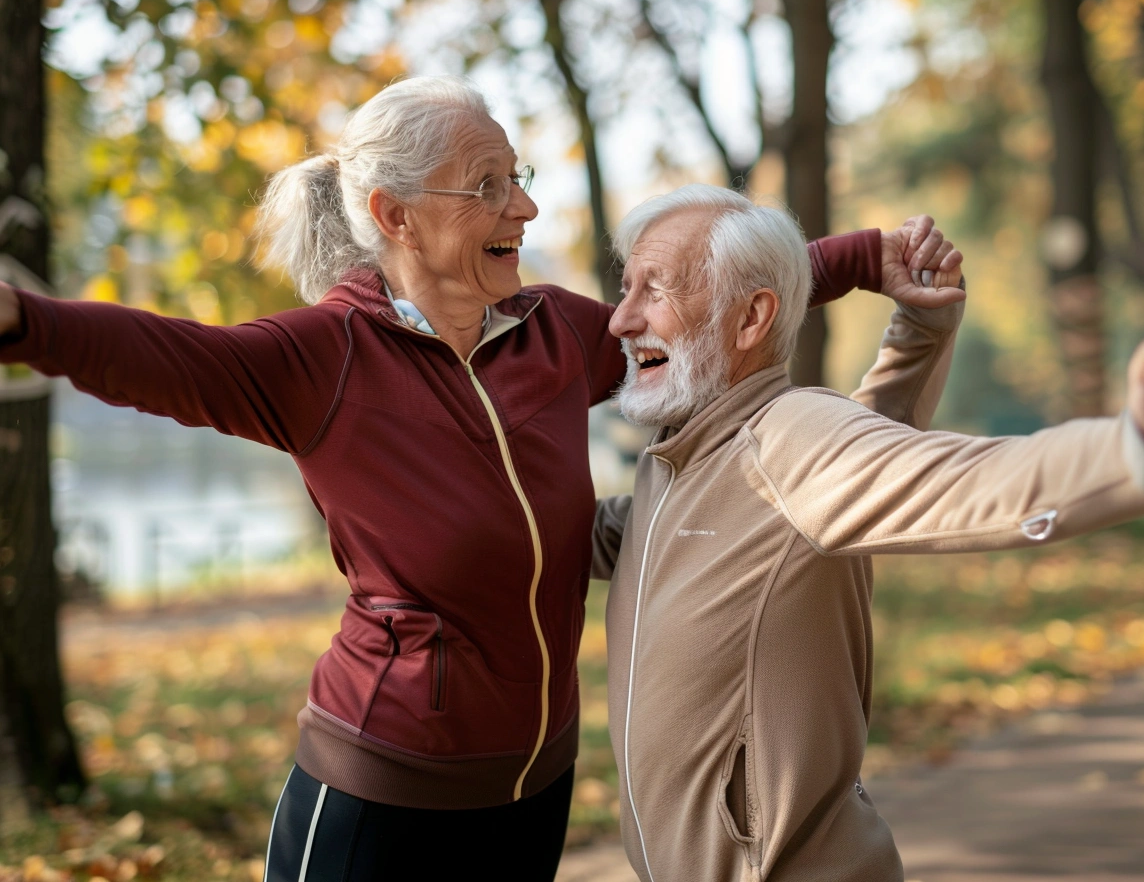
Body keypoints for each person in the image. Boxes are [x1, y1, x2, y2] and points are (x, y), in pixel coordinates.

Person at [0, 77, 960, 881]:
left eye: (518, 178)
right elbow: (160, 353)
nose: (524, 209)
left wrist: (865, 259)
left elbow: (712, 307)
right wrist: (21, 319)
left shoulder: (555, 332)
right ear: (396, 217)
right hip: (379, 793)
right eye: (488, 186)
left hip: (533, 789)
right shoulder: (321, 361)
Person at [590, 184, 1144, 882]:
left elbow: (967, 481)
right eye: (627, 289)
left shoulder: (786, 438)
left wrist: (1138, 455)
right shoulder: (673, 468)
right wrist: (921, 330)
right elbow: (584, 536)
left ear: (750, 319)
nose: (621, 319)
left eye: (656, 290)